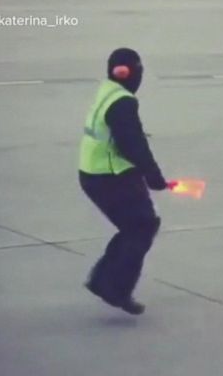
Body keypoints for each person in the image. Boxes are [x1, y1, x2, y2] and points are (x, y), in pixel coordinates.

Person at [78, 48, 174, 314]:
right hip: (109, 176)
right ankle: (112, 286)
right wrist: (153, 176)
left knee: (135, 226)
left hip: (93, 172)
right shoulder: (122, 102)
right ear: (130, 73)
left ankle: (105, 281)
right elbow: (133, 143)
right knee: (142, 226)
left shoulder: (107, 89)